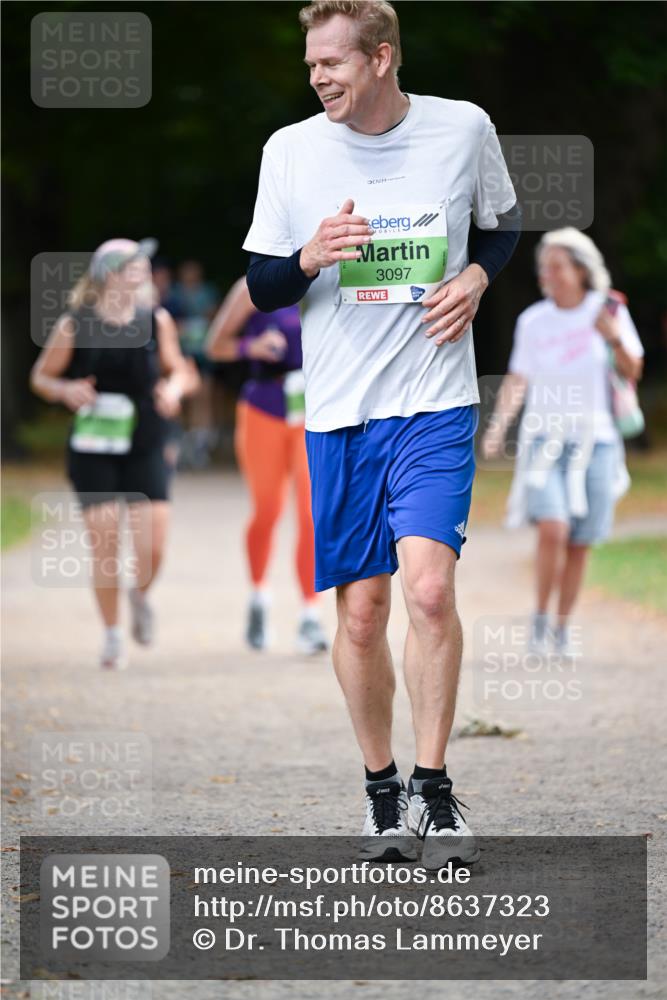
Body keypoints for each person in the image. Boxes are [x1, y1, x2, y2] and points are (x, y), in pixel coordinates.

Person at [242, 0, 520, 866]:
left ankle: (434, 795)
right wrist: (309, 257)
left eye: (333, 62)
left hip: (434, 402)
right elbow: (260, 287)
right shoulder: (289, 151)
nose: (319, 76)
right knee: (360, 616)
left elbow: (501, 226)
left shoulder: (462, 128)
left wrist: (474, 276)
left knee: (428, 591)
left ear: (382, 56)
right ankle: (380, 791)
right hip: (338, 413)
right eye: (311, 65)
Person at [30, 238, 194, 670]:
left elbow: (181, 370)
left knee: (153, 546)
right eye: (131, 264)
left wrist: (174, 389)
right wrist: (65, 388)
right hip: (93, 446)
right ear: (108, 274)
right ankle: (112, 635)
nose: (142, 271)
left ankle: (139, 595)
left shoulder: (156, 321)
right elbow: (41, 377)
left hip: (145, 440)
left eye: (144, 264)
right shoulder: (74, 324)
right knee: (105, 545)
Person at [482, 228, 644, 656]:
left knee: (580, 540)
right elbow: (518, 379)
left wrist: (610, 335)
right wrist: (499, 427)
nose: (546, 275)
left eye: (555, 267)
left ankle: (562, 626)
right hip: (544, 440)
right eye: (543, 268)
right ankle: (538, 617)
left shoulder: (607, 310)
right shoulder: (533, 321)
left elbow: (632, 370)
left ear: (579, 270)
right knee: (553, 527)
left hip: (598, 441)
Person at [206, 279, 328, 655]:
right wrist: (251, 346)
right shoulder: (254, 286)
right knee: (267, 511)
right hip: (264, 408)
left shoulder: (334, 279)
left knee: (311, 514)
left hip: (315, 410)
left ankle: (310, 614)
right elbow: (214, 346)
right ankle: (259, 596)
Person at [169, 260, 220, 468]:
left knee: (204, 395)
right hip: (182, 352)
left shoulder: (207, 292)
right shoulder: (175, 293)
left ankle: (201, 439)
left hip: (202, 353)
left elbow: (214, 315)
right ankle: (183, 438)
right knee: (184, 398)